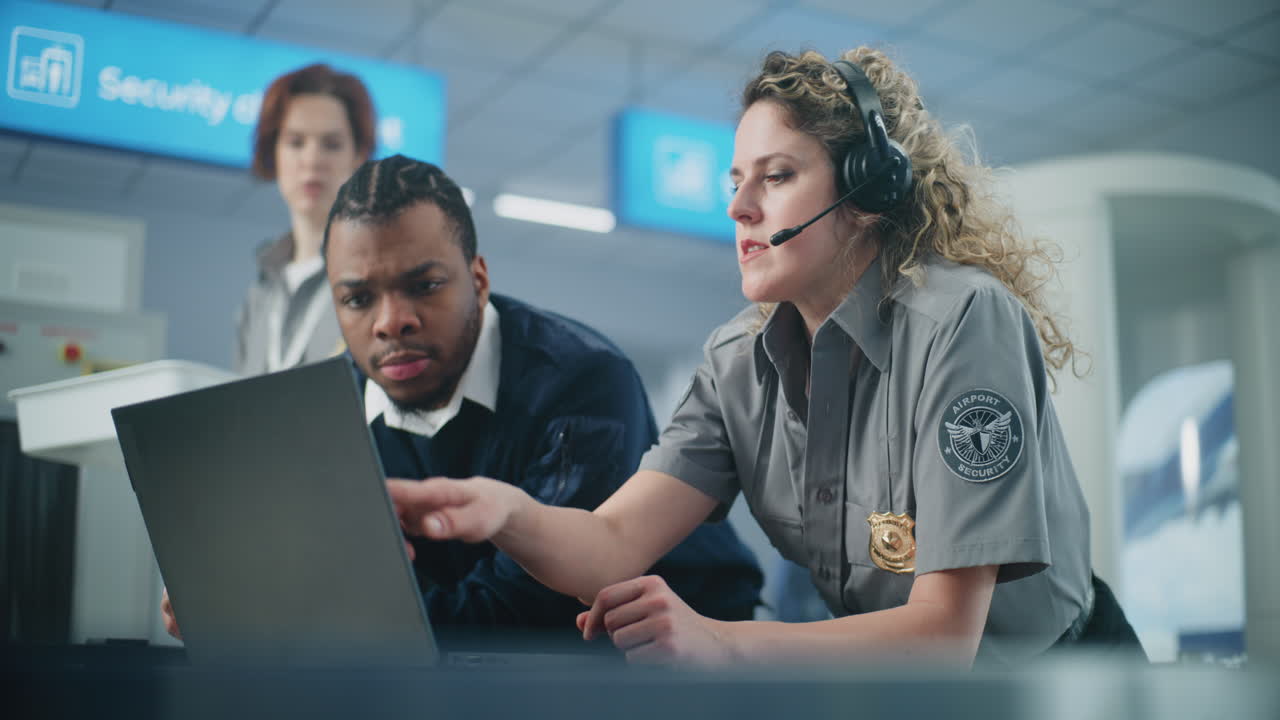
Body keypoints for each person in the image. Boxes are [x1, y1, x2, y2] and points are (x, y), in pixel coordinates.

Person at [384, 48, 1144, 666]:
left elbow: (944, 636)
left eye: (776, 177)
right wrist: (504, 512)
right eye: (735, 181)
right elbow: (610, 545)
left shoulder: (961, 321)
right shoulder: (736, 363)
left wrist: (721, 642)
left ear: (866, 190)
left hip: (1065, 682)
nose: (739, 207)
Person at [162, 154, 762, 638]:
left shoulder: (581, 381)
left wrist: (295, 620)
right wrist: (235, 604)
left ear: (477, 279)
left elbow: (530, 618)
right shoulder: (327, 413)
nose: (391, 322)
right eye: (357, 298)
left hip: (680, 660)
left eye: (423, 286)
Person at [234, 63, 375, 375]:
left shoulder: (378, 282)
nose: (312, 160)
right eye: (296, 142)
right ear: (274, 152)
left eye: (332, 144)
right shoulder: (258, 298)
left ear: (358, 157)